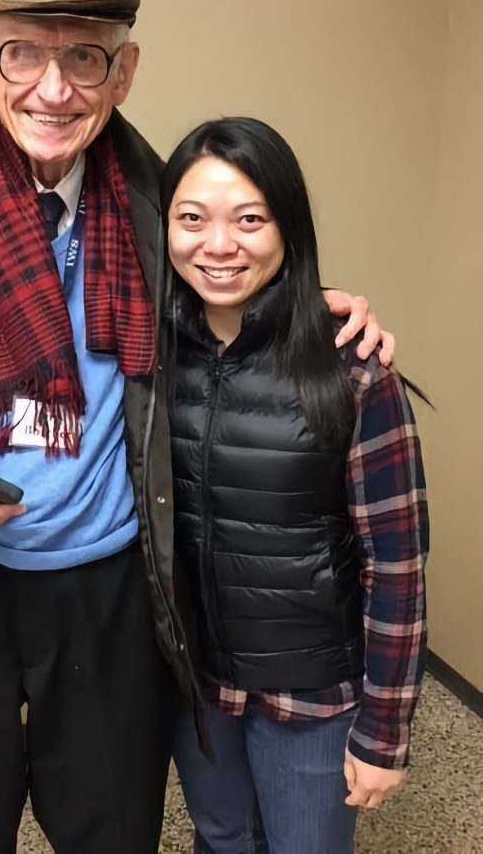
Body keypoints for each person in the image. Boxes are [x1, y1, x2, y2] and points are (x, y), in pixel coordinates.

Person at [0, 0, 390, 854]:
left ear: (125, 71)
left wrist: (318, 313)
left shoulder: (161, 204)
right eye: (23, 54)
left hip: (115, 591)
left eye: (85, 59)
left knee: (112, 828)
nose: (53, 89)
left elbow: (237, 282)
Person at [162, 117, 428, 854]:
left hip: (310, 693)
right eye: (193, 219)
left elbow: (397, 565)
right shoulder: (147, 357)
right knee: (219, 837)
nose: (219, 245)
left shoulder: (352, 367)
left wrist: (384, 727)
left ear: (288, 228)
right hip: (196, 683)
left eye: (250, 219)